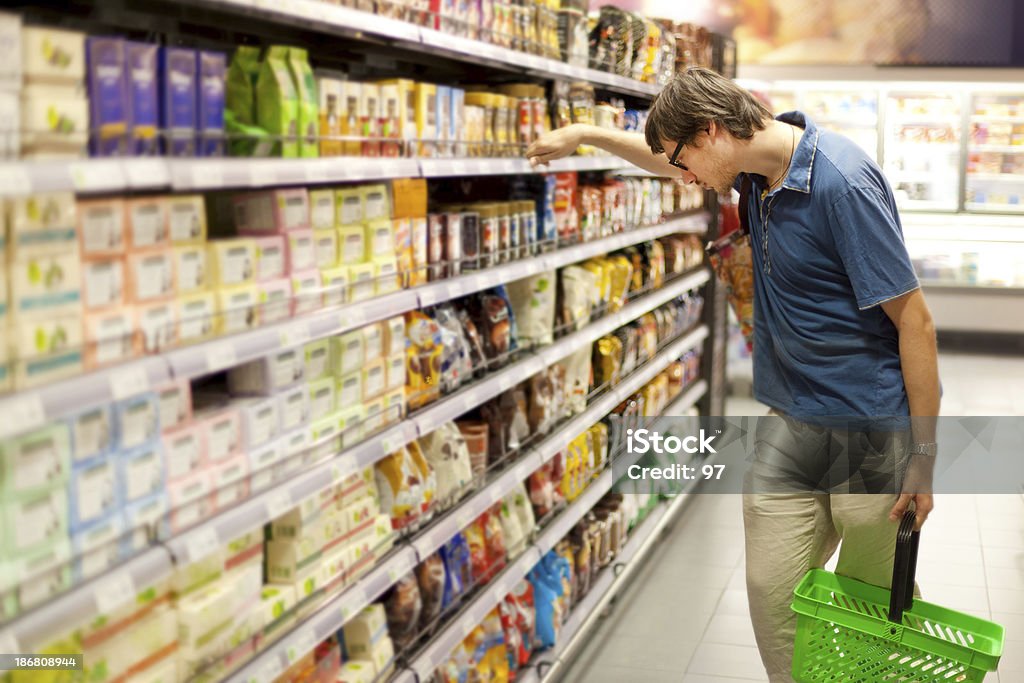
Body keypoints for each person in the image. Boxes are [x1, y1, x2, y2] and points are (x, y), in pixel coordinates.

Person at [526, 67, 939, 682]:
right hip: (790, 417)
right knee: (772, 591)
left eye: (685, 160)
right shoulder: (751, 170)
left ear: (713, 131)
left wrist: (925, 456)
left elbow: (916, 323)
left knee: (865, 604)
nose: (685, 178)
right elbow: (662, 157)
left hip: (870, 423)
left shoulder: (841, 183)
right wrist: (585, 134)